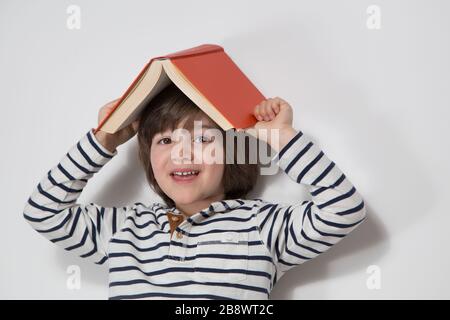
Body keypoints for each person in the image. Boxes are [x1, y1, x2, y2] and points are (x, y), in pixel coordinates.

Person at [23, 83, 367, 299]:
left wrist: (281, 139)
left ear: (233, 155)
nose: (182, 152)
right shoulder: (125, 230)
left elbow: (343, 210)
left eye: (203, 139)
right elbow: (43, 212)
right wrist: (103, 140)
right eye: (166, 140)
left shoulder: (261, 226)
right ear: (149, 159)